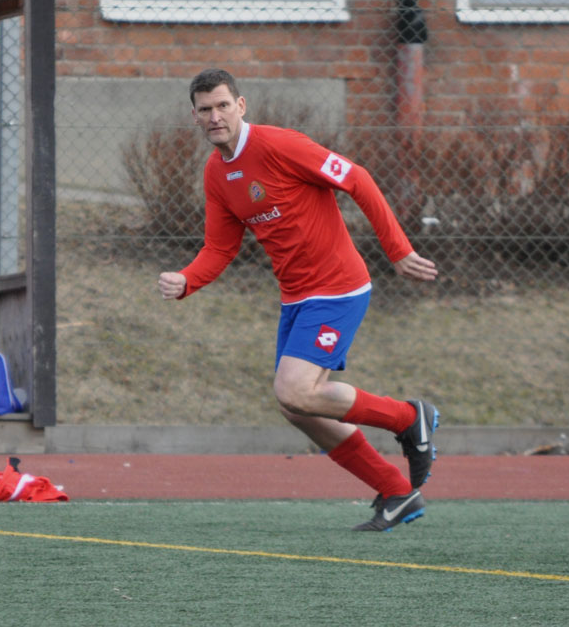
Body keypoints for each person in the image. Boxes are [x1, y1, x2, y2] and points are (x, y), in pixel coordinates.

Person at [159, 69, 440, 531]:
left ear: (241, 106)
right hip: (297, 298)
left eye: (223, 105)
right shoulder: (216, 173)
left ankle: (409, 418)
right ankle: (395, 490)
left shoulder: (279, 145)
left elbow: (357, 178)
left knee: (294, 390)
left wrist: (398, 250)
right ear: (194, 116)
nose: (215, 116)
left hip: (338, 287)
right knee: (296, 407)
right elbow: (220, 248)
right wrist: (186, 280)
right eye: (205, 109)